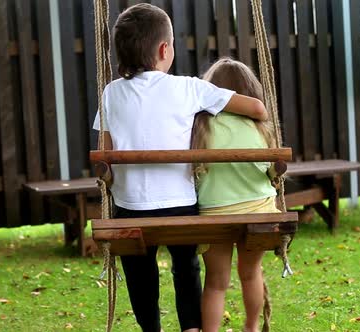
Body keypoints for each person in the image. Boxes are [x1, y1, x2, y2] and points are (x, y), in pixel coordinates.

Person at [92, 4, 268, 332]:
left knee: (139, 270)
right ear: (164, 49)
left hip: (130, 209)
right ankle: (191, 327)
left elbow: (105, 155)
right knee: (186, 264)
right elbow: (257, 108)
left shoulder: (110, 93)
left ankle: (152, 329)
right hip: (180, 206)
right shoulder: (189, 88)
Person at [191, 58, 280, 332]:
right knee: (251, 273)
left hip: (214, 215)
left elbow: (194, 174)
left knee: (216, 282)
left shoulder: (201, 128)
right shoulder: (259, 128)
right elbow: (272, 173)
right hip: (258, 212)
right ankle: (251, 327)